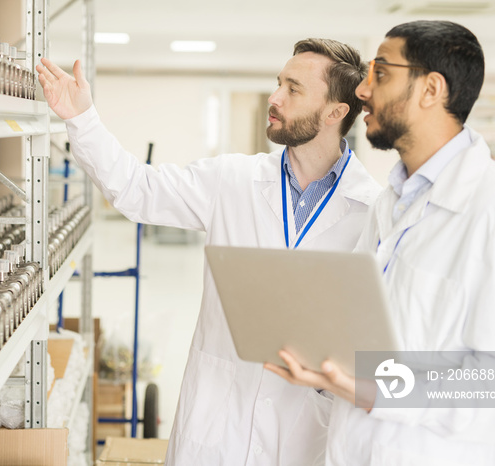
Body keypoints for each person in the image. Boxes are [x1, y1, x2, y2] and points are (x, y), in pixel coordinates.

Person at [37, 38, 382, 465]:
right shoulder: (232, 180)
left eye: (293, 89)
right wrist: (82, 119)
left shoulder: (373, 212)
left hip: (307, 431)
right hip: (217, 422)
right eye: (279, 83)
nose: (274, 98)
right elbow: (136, 190)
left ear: (335, 112)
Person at [266, 20, 495, 465]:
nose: (361, 91)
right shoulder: (391, 201)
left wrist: (382, 390)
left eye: (380, 74)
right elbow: (366, 322)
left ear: (431, 89)